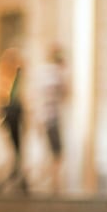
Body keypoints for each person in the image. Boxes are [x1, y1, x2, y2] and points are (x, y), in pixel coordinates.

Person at [0, 46, 28, 194]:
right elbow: (0, 97)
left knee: (17, 147)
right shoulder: (6, 76)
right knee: (15, 147)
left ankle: (17, 174)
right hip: (10, 113)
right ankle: (15, 174)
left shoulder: (14, 75)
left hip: (14, 113)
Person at [34, 44, 69, 194]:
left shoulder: (42, 72)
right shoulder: (55, 74)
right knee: (57, 153)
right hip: (52, 117)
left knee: (49, 151)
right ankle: (53, 183)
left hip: (42, 117)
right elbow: (65, 93)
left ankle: (49, 181)